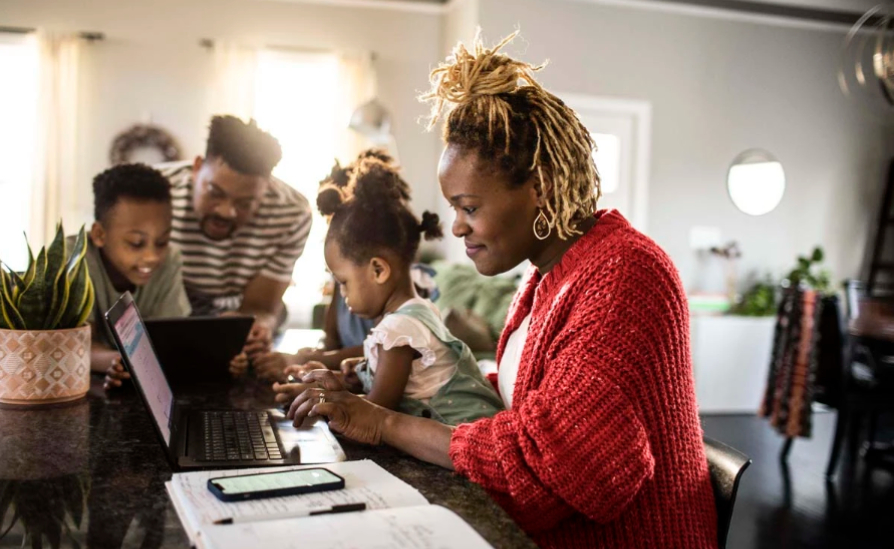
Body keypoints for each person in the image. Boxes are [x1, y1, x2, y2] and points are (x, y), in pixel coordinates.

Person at [284, 33, 718, 548]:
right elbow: (524, 399)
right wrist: (365, 384)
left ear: (541, 187)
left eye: (469, 207)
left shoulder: (626, 273)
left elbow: (563, 465)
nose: (457, 228)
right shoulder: (543, 277)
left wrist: (383, 423)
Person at [274, 153, 503, 425]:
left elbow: (375, 412)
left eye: (343, 282)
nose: (341, 293)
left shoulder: (399, 329)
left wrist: (319, 398)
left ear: (378, 270)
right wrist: (354, 373)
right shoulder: (415, 313)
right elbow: (409, 382)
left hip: (463, 444)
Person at [158, 116, 312, 380]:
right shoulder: (156, 192)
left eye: (245, 203)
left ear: (267, 188)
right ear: (196, 168)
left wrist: (255, 326)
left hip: (236, 308)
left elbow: (262, 305)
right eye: (215, 193)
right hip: (165, 308)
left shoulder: (292, 212)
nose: (227, 212)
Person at [79, 163, 191, 390]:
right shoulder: (75, 260)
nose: (151, 257)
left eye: (162, 242)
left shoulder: (170, 260)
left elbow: (171, 340)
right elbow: (78, 345)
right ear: (99, 234)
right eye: (136, 243)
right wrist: (120, 362)